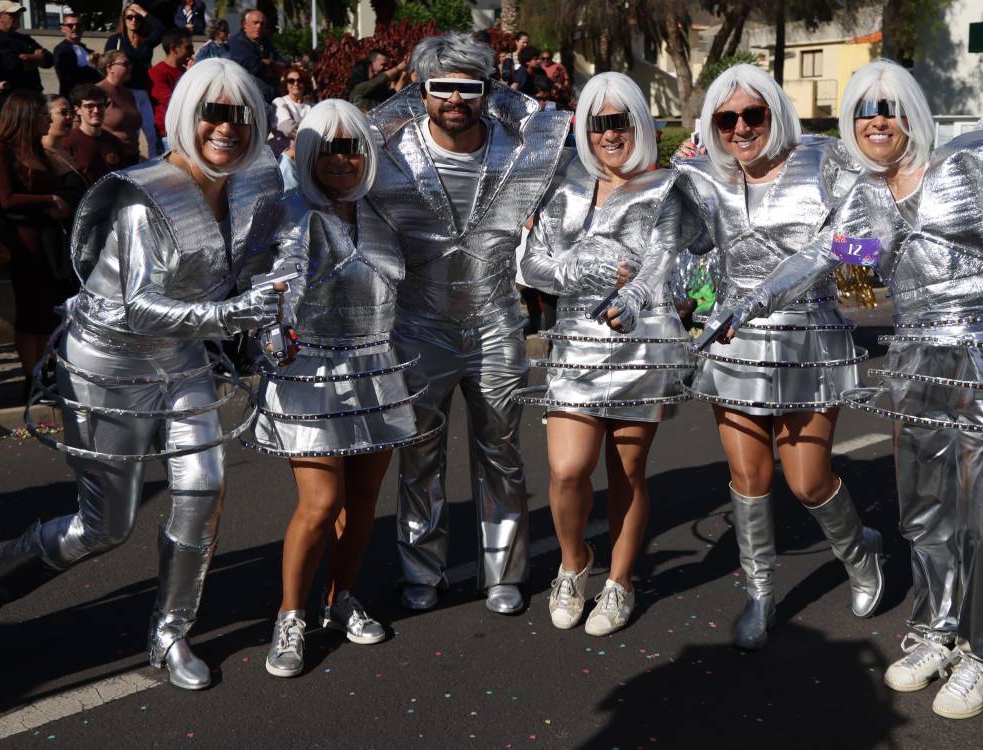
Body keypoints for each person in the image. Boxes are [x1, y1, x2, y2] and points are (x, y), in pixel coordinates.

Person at [705, 59, 983, 720]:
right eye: (863, 110)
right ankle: (934, 632)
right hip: (918, 360)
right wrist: (746, 305)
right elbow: (824, 257)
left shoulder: (967, 172)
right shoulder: (864, 203)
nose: (876, 120)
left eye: (887, 107)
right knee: (926, 507)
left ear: (910, 111)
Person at [0, 58, 286, 691]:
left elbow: (262, 258)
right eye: (212, 112)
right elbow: (133, 306)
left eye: (239, 115)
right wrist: (231, 312)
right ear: (185, 115)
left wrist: (272, 298)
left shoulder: (252, 185)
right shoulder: (146, 193)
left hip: (182, 356)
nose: (226, 128)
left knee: (203, 488)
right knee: (105, 525)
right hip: (109, 361)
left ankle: (169, 633)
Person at [673, 64, 884, 651]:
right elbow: (681, 249)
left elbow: (867, 243)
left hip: (809, 336)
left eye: (753, 114)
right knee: (748, 476)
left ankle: (861, 553)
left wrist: (835, 256)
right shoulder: (704, 176)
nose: (742, 128)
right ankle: (761, 593)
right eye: (727, 118)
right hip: (733, 341)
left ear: (775, 113)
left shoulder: (826, 160)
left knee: (808, 480)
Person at [365, 32, 571, 614]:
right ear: (419, 92)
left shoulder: (523, 149)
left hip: (496, 325)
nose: (455, 99)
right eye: (441, 87)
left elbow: (592, 178)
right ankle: (421, 573)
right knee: (419, 459)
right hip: (417, 328)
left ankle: (503, 572)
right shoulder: (389, 152)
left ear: (489, 91)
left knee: (502, 454)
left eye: (470, 87)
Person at [255, 99, 428, 676]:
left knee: (360, 503)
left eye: (351, 147)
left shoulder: (382, 213)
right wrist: (274, 327)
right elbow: (274, 283)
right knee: (320, 501)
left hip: (377, 369)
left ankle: (341, 597)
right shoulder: (287, 211)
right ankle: (289, 614)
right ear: (305, 152)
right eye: (326, 147)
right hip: (310, 374)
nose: (339, 159)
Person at [518, 72, 692, 636]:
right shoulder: (564, 183)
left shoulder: (666, 187)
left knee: (628, 471)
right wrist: (580, 270)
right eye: (597, 123)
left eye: (619, 121)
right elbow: (530, 264)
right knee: (569, 470)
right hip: (574, 344)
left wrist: (635, 296)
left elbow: (665, 260)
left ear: (639, 123)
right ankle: (574, 565)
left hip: (642, 345)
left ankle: (620, 582)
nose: (609, 134)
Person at [0, 91, 79, 394]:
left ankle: (46, 371)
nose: (48, 120)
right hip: (23, 239)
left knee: (49, 310)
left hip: (49, 238)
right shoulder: (0, 150)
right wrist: (50, 199)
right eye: (43, 115)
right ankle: (30, 377)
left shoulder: (37, 149)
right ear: (26, 118)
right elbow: (7, 198)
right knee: (30, 310)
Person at [104, 3, 164, 156]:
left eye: (136, 17)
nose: (133, 20)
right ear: (123, 20)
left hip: (143, 92)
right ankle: (133, 167)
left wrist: (141, 11)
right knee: (132, 135)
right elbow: (106, 66)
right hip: (124, 92)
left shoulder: (146, 41)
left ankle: (153, 167)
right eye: (129, 17)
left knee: (151, 134)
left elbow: (161, 30)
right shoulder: (116, 40)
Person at [63, 84, 134, 183]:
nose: (96, 111)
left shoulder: (114, 141)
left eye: (100, 105)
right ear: (77, 109)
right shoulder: (68, 143)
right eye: (89, 106)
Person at [0, 1, 52, 100]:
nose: (17, 17)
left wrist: (26, 57)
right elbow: (13, 66)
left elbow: (49, 60)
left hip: (35, 94)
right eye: (12, 14)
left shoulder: (24, 38)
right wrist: (37, 60)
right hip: (13, 98)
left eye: (18, 14)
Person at [151, 28, 194, 153]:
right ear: (174, 48)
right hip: (168, 136)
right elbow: (172, 102)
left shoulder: (185, 71)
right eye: (188, 47)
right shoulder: (157, 73)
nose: (192, 51)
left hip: (185, 134)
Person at [96, 50, 144, 161]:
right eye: (125, 64)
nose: (130, 67)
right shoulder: (98, 91)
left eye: (130, 64)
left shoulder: (128, 93)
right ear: (110, 67)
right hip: (110, 158)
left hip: (132, 157)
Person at [229, 8, 285, 99]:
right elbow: (255, 67)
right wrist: (273, 67)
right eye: (255, 23)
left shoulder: (266, 42)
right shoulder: (237, 42)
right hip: (249, 99)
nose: (259, 26)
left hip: (272, 99)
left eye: (262, 24)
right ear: (245, 25)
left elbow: (284, 65)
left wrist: (270, 63)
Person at [53, 12, 102, 100]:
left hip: (91, 97)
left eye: (78, 25)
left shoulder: (86, 50)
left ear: (83, 28)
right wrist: (93, 69)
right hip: (74, 99)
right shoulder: (61, 50)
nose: (75, 28)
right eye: (70, 25)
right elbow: (68, 76)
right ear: (63, 29)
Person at [269, 65, 312, 156]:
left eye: (299, 80)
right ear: (286, 84)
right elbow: (287, 128)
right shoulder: (280, 102)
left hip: (308, 154)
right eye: (291, 81)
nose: (296, 83)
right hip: (283, 155)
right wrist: (314, 139)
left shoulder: (312, 106)